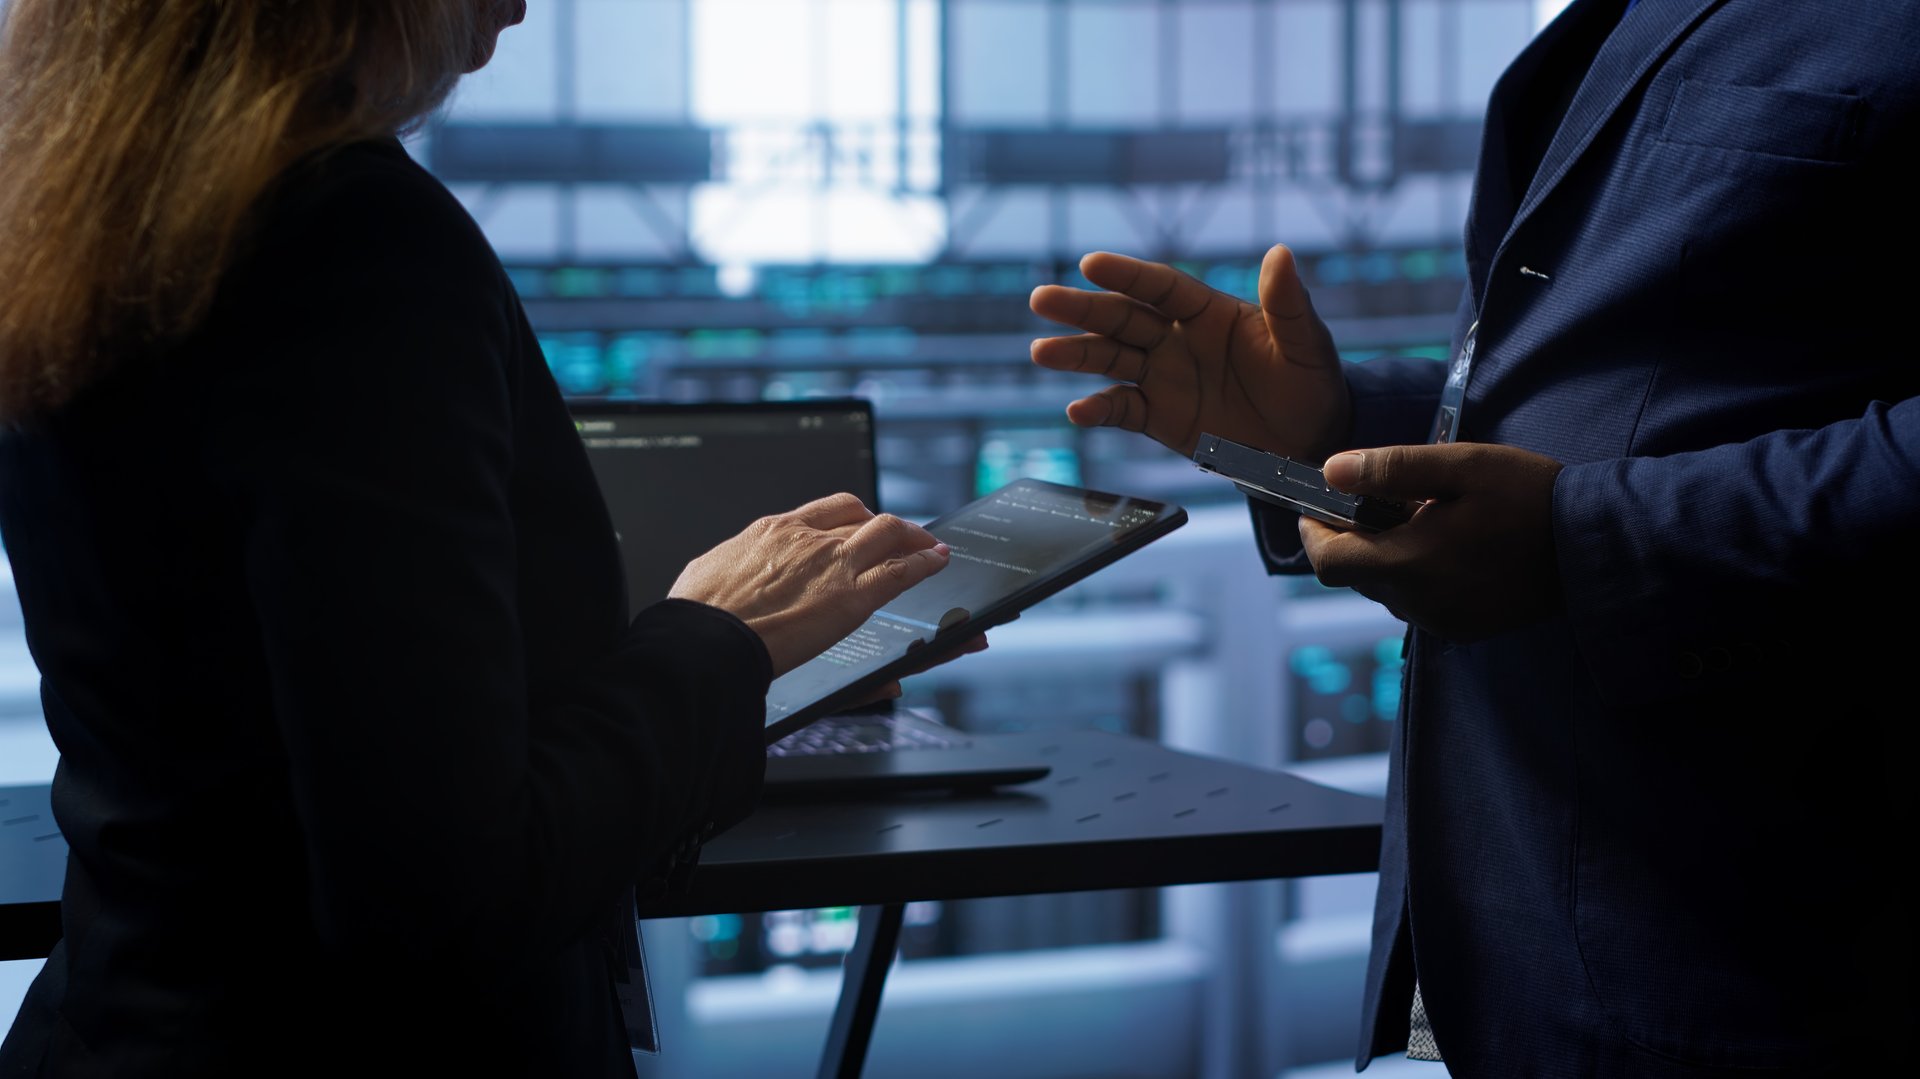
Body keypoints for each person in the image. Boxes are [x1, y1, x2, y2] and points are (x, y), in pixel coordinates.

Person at [0, 3, 973, 1075]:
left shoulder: (90, 209)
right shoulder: (353, 237)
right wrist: (718, 635)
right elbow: (449, 891)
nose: (518, 4)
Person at [1030, 0, 1917, 1074]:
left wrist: (1586, 542)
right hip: (1512, 965)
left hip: (1768, 969)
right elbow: (1620, 394)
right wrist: (1308, 443)